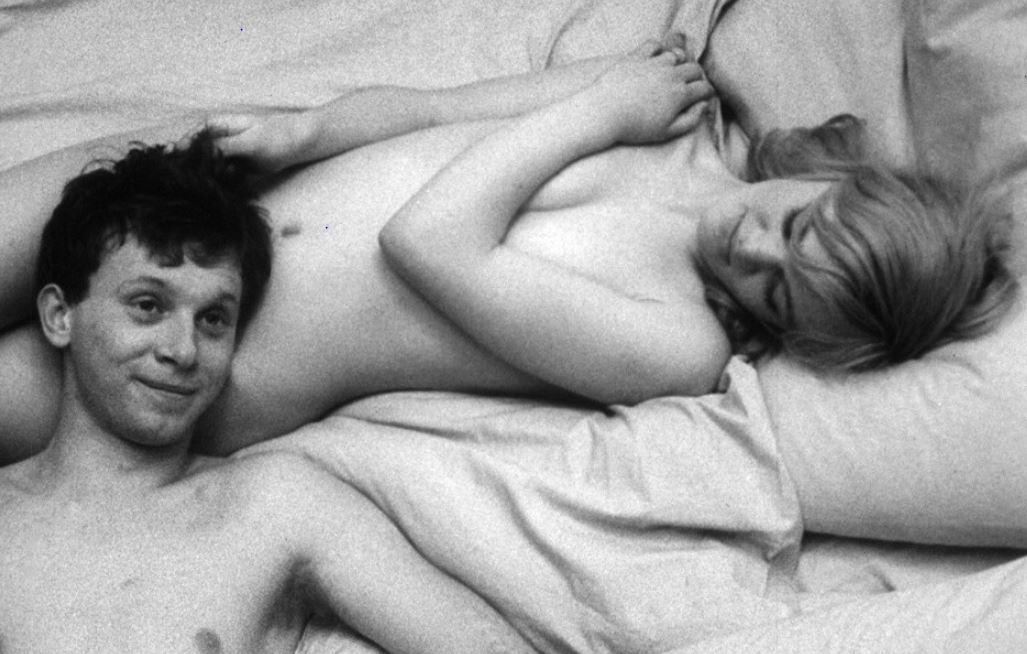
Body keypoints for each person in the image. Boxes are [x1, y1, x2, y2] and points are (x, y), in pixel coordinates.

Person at [0, 35, 1017, 459]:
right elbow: (427, 112)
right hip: (187, 201)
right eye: (797, 227)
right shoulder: (671, 108)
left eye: (779, 295)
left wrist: (596, 110)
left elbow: (428, 244)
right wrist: (304, 135)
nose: (753, 248)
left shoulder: (676, 343)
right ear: (834, 180)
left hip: (216, 360)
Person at [0, 132, 532, 654]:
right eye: (148, 306)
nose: (183, 350)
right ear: (59, 316)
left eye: (213, 319)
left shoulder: (273, 505)